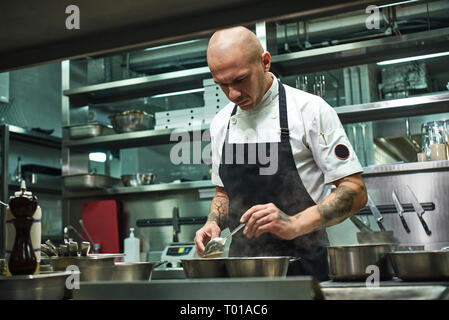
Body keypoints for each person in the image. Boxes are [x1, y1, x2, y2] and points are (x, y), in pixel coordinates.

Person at [194, 26, 368, 281]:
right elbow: (223, 192)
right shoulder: (221, 122)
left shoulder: (309, 110)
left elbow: (355, 190)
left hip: (305, 270)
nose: (232, 94)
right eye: (222, 85)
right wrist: (213, 223)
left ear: (265, 62)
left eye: (240, 80)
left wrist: (295, 223)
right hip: (243, 273)